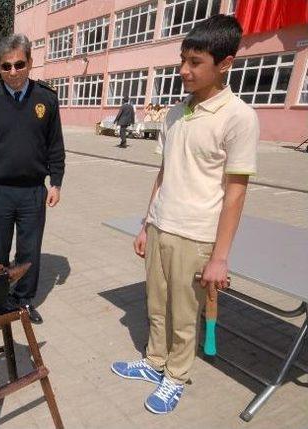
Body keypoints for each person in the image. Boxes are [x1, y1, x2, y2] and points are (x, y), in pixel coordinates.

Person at [111, 15, 258, 414]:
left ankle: (176, 375)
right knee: (155, 304)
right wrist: (146, 223)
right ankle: (154, 361)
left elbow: (236, 193)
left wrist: (221, 256)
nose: (183, 70)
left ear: (224, 63)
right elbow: (164, 173)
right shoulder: (176, 113)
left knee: (184, 312)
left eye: (195, 62)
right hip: (161, 226)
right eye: (182, 60)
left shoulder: (238, 117)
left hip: (196, 235)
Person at [0, 34, 65, 325]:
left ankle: (22, 301)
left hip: (33, 192)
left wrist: (55, 181)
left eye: (19, 64)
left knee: (29, 251)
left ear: (30, 63)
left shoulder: (46, 98)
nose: (13, 72)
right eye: (6, 66)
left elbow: (55, 146)